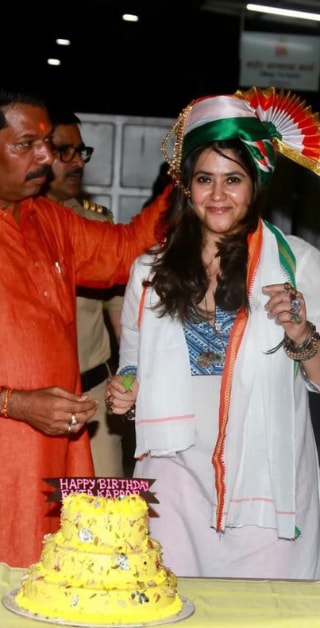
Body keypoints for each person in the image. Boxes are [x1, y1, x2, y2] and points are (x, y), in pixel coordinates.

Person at [0, 80, 170, 571]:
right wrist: (13, 404)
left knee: (55, 589)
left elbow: (124, 252)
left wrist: (189, 176)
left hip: (56, 458)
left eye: (46, 144)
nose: (45, 159)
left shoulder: (47, 219)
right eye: (26, 145)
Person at [106, 89, 320, 579]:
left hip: (268, 481)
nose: (218, 196)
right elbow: (134, 363)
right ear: (186, 185)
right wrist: (125, 391)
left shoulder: (299, 264)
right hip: (175, 476)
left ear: (256, 184)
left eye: (233, 180)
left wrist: (300, 329)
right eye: (205, 179)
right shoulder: (148, 271)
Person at [42, 105, 128, 477]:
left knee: (106, 521)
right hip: (28, 405)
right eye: (64, 152)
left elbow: (122, 319)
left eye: (81, 152)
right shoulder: (8, 228)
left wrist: (131, 380)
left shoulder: (97, 227)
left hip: (93, 401)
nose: (77, 162)